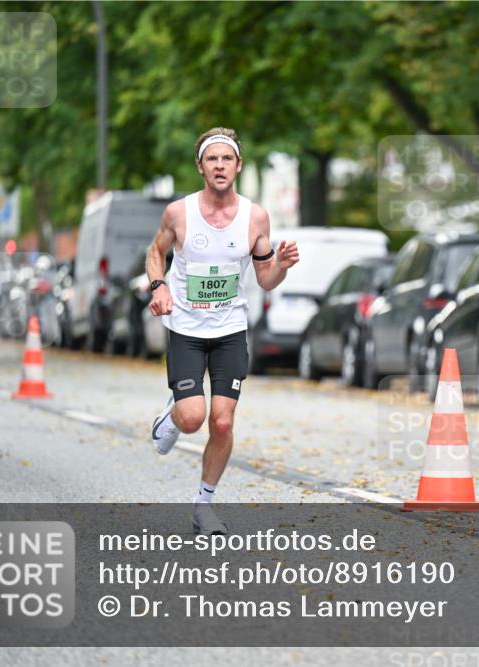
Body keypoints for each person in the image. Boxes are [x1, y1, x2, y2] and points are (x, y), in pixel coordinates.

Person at [146, 127, 299, 535]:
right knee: (193, 418)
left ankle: (204, 505)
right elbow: (155, 252)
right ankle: (174, 415)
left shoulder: (255, 217)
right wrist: (159, 286)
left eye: (226, 159)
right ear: (200, 167)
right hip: (186, 327)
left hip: (231, 328)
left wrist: (281, 266)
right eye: (211, 159)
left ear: (238, 165)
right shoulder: (179, 213)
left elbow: (266, 279)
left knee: (223, 423)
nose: (219, 166)